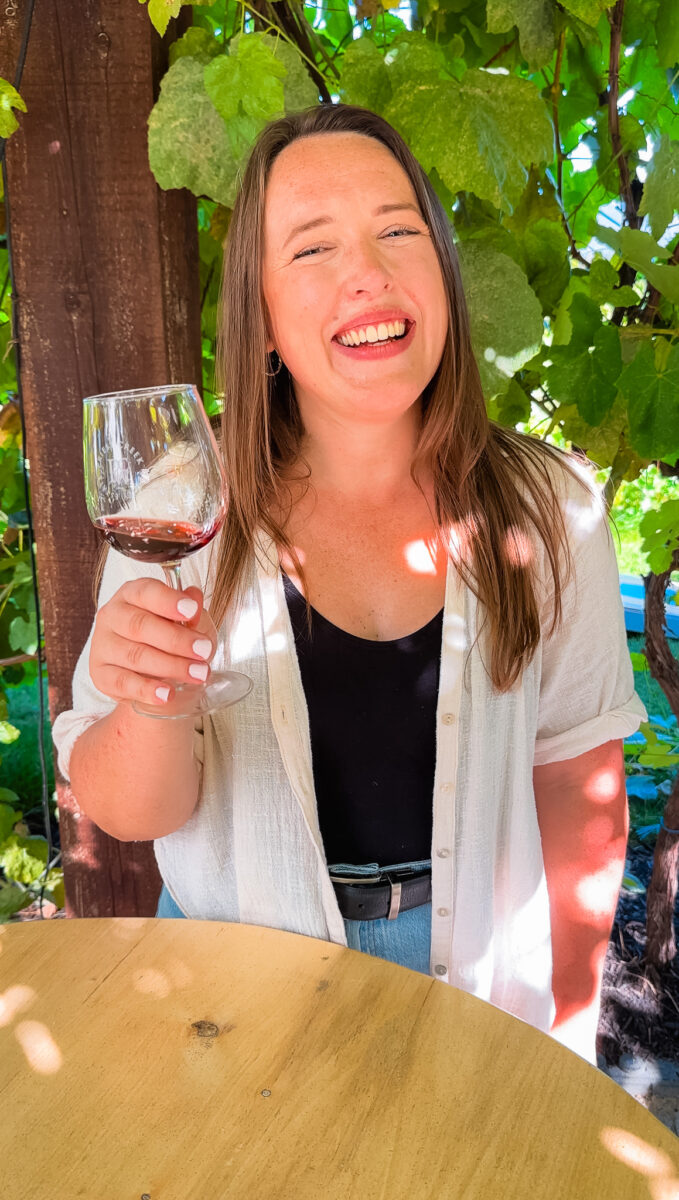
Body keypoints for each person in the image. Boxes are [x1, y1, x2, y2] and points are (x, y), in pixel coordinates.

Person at [52, 103, 647, 1066]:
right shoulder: (180, 509)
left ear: (443, 273)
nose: (366, 271)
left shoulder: (550, 508)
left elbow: (577, 782)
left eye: (397, 229)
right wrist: (152, 703)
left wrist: (566, 1030)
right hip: (227, 978)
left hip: (477, 979)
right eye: (312, 248)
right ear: (264, 318)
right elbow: (133, 813)